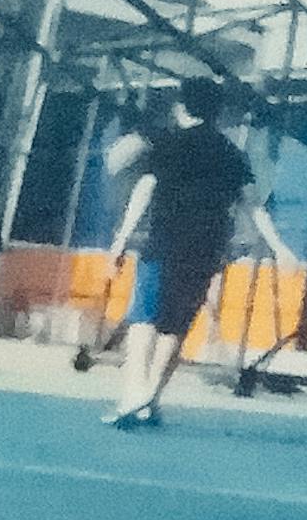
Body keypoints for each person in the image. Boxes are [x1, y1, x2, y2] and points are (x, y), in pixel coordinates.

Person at [100, 84, 280, 426]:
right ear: (217, 113)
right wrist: (278, 244)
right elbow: (252, 203)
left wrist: (120, 240)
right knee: (175, 326)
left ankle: (133, 394)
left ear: (181, 107)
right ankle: (150, 400)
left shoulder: (170, 142)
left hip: (164, 243)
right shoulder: (230, 152)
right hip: (205, 250)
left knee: (143, 319)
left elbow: (145, 188)